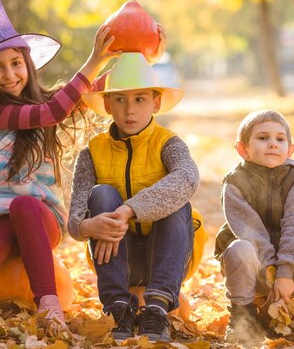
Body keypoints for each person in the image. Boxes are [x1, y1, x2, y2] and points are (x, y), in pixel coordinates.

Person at [0, 0, 169, 327]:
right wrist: (94, 58)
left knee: (23, 206)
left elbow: (101, 90)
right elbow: (51, 113)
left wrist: (142, 58)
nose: (9, 74)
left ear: (27, 64)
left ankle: (48, 305)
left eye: (15, 64)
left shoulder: (44, 101)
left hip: (38, 216)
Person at [68, 53, 200, 342]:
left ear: (155, 103)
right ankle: (118, 307)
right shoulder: (92, 152)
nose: (130, 110)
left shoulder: (168, 143)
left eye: (140, 99)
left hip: (168, 255)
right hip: (117, 258)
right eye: (120, 99)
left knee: (177, 202)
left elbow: (188, 178)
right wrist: (87, 226)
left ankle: (156, 307)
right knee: (101, 193)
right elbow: (76, 214)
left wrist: (130, 209)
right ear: (107, 104)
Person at [214, 109, 294, 346]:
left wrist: (284, 272)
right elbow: (251, 232)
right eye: (263, 138)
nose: (272, 144)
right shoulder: (234, 184)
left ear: (290, 149)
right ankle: (243, 319)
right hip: (252, 272)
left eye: (280, 139)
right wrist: (271, 274)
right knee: (240, 247)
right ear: (243, 149)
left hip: (292, 273)